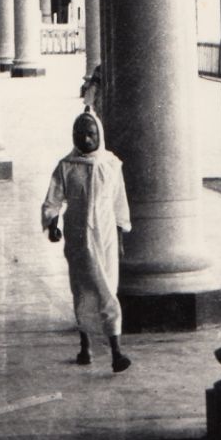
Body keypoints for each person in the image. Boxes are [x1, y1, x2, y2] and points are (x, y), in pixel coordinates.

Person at [41, 109, 132, 373]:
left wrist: (121, 236)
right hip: (78, 238)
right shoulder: (66, 166)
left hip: (105, 238)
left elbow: (119, 204)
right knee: (83, 290)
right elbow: (53, 200)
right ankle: (90, 346)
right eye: (79, 134)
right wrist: (53, 224)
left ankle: (114, 349)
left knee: (107, 288)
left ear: (99, 135)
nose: (85, 139)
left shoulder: (111, 165)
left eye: (90, 133)